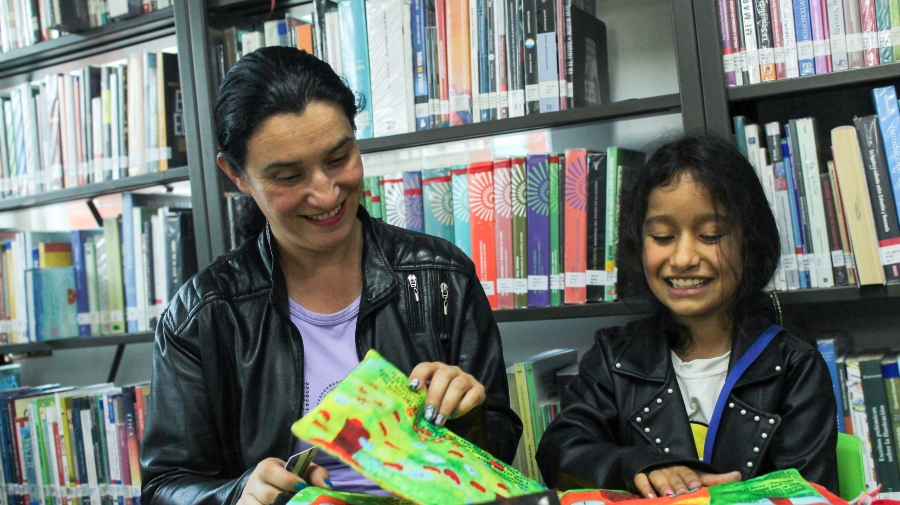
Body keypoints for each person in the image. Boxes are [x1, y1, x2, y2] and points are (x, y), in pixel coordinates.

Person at [140, 46, 520, 505]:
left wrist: (467, 415)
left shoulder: (442, 278)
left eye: (339, 158)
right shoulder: (203, 316)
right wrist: (239, 492)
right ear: (236, 175)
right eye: (287, 176)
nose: (325, 193)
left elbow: (498, 451)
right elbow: (165, 486)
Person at [535, 134, 838, 497]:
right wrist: (636, 465)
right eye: (662, 236)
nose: (682, 258)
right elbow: (559, 452)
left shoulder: (794, 367)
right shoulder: (614, 357)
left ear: (749, 241)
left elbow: (809, 495)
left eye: (710, 235)